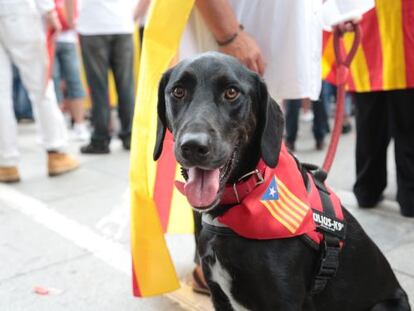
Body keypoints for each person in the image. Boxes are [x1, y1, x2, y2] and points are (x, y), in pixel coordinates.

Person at [179, 0, 368, 294]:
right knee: (211, 143)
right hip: (232, 29)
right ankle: (216, 265)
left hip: (270, 36)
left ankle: (251, 265)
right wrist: (229, 34)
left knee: (249, 153)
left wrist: (337, 12)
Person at [343, 0, 414, 217]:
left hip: (367, 41)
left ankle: (367, 191)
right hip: (403, 41)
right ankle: (410, 197)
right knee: (408, 130)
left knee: (368, 128)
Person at [0, 0, 79, 183]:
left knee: (1, 97)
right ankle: (55, 151)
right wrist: (49, 10)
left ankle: (6, 160)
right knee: (41, 87)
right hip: (19, 12)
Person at [77, 0, 139, 154]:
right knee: (126, 85)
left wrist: (73, 22)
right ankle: (130, 136)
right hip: (122, 24)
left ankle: (100, 139)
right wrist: (131, 17)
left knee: (98, 88)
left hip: (92, 25)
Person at [53, 0, 89, 141]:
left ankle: (79, 124)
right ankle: (57, 127)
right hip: (49, 37)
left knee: (74, 81)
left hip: (68, 37)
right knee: (53, 84)